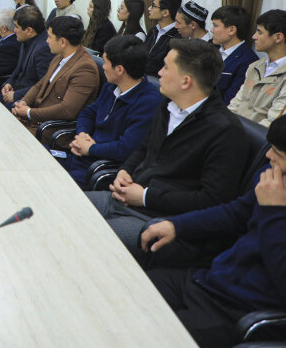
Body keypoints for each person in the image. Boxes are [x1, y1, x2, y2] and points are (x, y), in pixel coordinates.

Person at [86, 39, 249, 260]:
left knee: (85, 237)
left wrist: (145, 197)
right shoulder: (168, 105)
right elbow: (144, 149)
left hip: (161, 220)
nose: (158, 73)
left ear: (185, 81)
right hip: (126, 198)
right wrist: (125, 171)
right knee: (61, 207)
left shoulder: (226, 132)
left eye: (165, 67)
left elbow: (211, 201)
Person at [140, 116, 286, 348]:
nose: (268, 156)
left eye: (278, 154)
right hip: (210, 280)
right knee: (125, 294)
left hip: (240, 309)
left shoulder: (275, 194)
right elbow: (235, 213)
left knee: (144, 336)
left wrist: (273, 211)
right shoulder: (273, 176)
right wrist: (177, 225)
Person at [68, 36, 161, 189]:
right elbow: (88, 113)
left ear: (119, 69)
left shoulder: (148, 102)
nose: (103, 67)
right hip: (80, 155)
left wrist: (90, 149)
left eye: (105, 62)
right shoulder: (112, 86)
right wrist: (82, 134)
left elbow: (126, 148)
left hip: (97, 168)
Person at [12, 16, 100, 138]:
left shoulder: (85, 69)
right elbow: (40, 85)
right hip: (36, 122)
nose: (46, 41)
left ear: (63, 42)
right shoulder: (60, 56)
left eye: (49, 37)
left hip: (51, 131)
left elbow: (67, 110)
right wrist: (23, 102)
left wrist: (29, 112)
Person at [228, 9, 286, 126]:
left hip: (257, 140)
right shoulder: (255, 66)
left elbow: (273, 123)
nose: (254, 37)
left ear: (278, 37)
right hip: (233, 131)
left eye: (259, 32)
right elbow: (235, 104)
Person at [0, 6, 54, 107]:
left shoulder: (44, 49)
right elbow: (18, 68)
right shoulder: (25, 40)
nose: (14, 30)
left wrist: (16, 95)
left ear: (29, 30)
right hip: (16, 91)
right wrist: (9, 83)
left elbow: (44, 85)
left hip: (27, 101)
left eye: (16, 26)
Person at [210, 5, 257, 104]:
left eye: (215, 25)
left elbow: (230, 100)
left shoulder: (248, 60)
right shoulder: (210, 49)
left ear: (231, 30)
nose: (212, 30)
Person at [144, 0, 182, 76]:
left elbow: (162, 65)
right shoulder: (153, 31)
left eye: (153, 6)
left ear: (165, 12)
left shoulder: (177, 36)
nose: (149, 8)